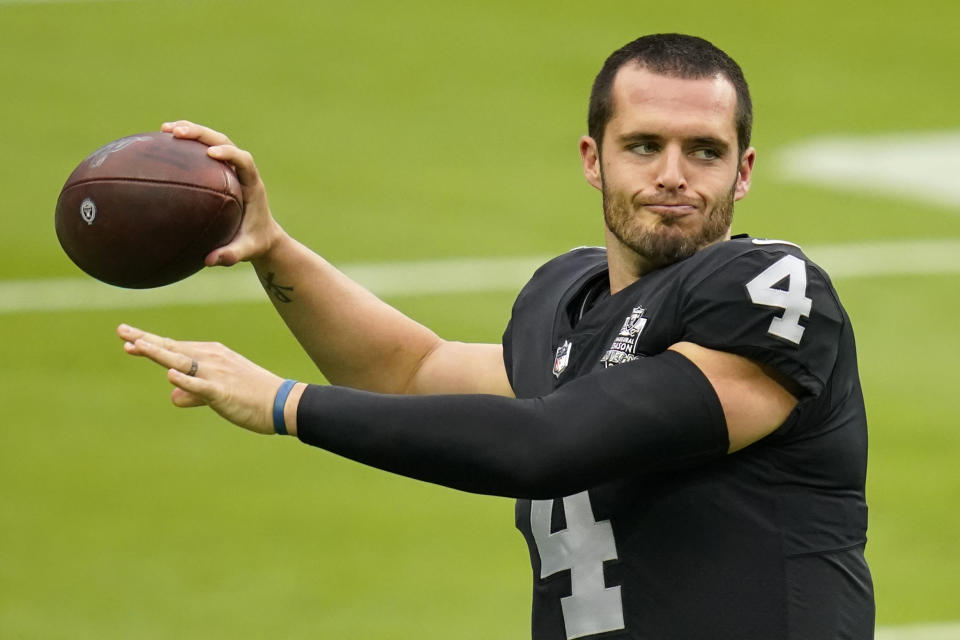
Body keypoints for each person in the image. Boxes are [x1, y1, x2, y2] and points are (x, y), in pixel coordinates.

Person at [119, 34, 874, 639]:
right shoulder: (564, 299)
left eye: (703, 151)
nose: (673, 174)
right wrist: (274, 248)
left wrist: (287, 404)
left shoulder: (765, 291)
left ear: (742, 172)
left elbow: (545, 445)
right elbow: (412, 370)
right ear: (593, 159)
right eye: (644, 145)